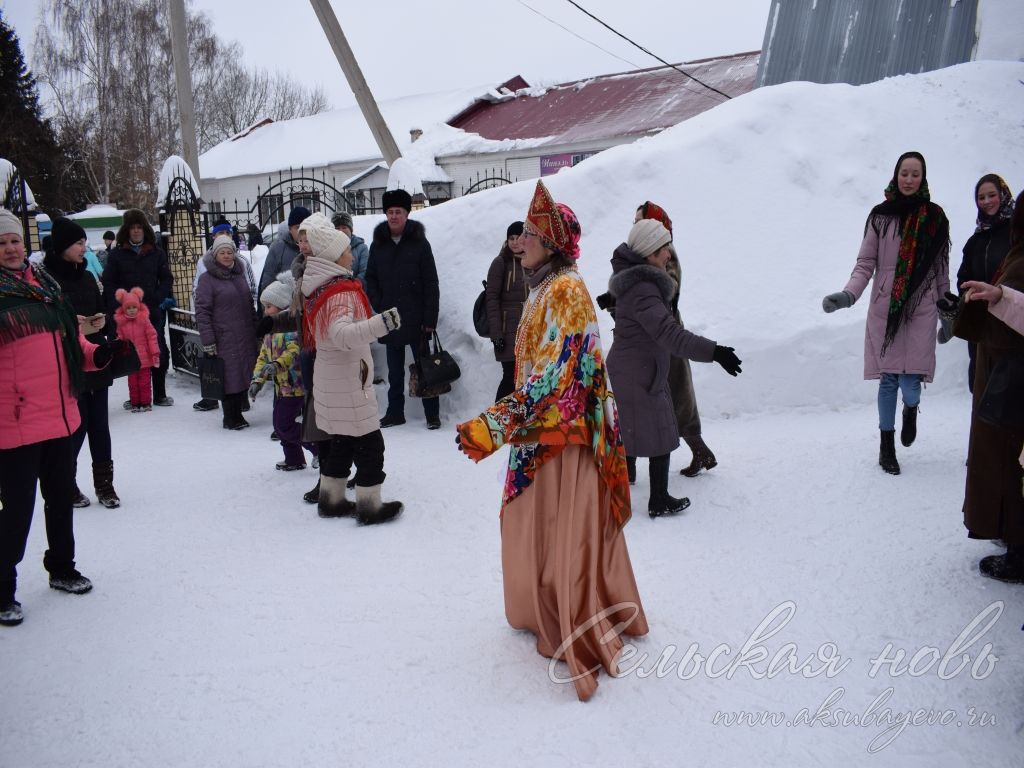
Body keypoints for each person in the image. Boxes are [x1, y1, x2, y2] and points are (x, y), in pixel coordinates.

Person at [455, 181, 648, 701]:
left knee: (563, 530)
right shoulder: (545, 285)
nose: (523, 242)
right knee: (541, 525)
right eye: (524, 234)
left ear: (553, 244)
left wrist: (495, 425)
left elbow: (560, 376)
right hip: (544, 431)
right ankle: (544, 598)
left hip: (564, 439)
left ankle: (569, 611)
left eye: (533, 235)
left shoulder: (565, 290)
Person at [0, 209, 115, 627]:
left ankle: (62, 568)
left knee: (59, 499)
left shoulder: (44, 286)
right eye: (2, 243)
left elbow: (70, 337)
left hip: (60, 413)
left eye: (15, 241)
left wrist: (94, 353)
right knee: (15, 510)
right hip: (15, 422)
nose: (12, 249)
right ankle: (2, 588)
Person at [822, 151, 950, 475]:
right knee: (889, 380)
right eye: (904, 173)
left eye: (915, 174)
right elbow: (866, 263)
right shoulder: (880, 216)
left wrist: (947, 309)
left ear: (923, 178)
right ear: (896, 176)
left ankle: (912, 408)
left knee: (910, 383)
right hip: (885, 309)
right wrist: (849, 294)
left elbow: (941, 270)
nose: (908, 179)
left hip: (920, 311)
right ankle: (886, 445)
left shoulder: (935, 218)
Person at [606, 219, 742, 516]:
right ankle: (658, 500)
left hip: (635, 367)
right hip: (638, 372)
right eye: (663, 249)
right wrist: (715, 351)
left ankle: (631, 486)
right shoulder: (644, 288)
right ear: (649, 252)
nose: (669, 254)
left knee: (637, 429)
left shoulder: (635, 280)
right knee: (660, 434)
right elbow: (670, 334)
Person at [299, 212, 403, 524]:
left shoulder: (320, 285)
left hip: (334, 377)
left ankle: (330, 501)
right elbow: (342, 335)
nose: (350, 255)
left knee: (342, 441)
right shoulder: (340, 291)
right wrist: (381, 323)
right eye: (346, 251)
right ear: (333, 256)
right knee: (371, 445)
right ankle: (370, 508)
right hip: (348, 379)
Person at [953, 190, 1024, 583]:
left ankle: (1018, 547)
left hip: (1010, 366)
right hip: (993, 357)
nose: (987, 201)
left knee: (1009, 457)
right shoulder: (980, 238)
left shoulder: (1014, 248)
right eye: (979, 196)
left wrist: (999, 297)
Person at [635, 202, 719, 476]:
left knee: (679, 398)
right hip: (646, 338)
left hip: (668, 337)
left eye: (640, 221)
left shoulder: (666, 256)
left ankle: (700, 451)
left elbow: (669, 289)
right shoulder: (639, 255)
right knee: (641, 399)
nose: (635, 226)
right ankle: (630, 463)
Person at [43, 217, 120, 508]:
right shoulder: (47, 280)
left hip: (95, 357)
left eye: (84, 242)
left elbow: (101, 310)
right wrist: (67, 322)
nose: (83, 247)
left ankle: (105, 486)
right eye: (78, 243)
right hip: (66, 363)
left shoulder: (88, 277)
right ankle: (67, 484)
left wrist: (102, 320)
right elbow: (44, 323)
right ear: (63, 246)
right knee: (75, 426)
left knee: (100, 425)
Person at [366, 189, 441, 429]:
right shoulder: (378, 245)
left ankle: (432, 414)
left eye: (398, 212)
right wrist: (380, 304)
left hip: (417, 317)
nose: (394, 216)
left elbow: (431, 282)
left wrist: (429, 319)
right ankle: (395, 412)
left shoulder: (420, 242)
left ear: (407, 214)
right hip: (390, 318)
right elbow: (371, 278)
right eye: (390, 212)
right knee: (394, 371)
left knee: (425, 368)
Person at [944, 175, 1016, 391]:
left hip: (1011, 321)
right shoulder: (975, 240)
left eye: (992, 195)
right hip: (980, 324)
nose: (986, 201)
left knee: (1009, 389)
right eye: (981, 197)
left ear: (1003, 195)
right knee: (981, 386)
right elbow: (963, 277)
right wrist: (967, 292)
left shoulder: (1017, 234)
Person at [102, 208, 175, 407]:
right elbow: (108, 281)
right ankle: (136, 395)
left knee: (157, 349)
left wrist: (158, 297)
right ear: (126, 230)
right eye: (132, 228)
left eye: (139, 227)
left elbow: (167, 278)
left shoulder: (156, 252)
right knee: (131, 352)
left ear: (145, 229)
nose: (136, 231)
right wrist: (118, 304)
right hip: (127, 314)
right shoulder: (117, 255)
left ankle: (159, 393)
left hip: (151, 310)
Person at [192, 221, 257, 413]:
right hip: (222, 336)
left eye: (230, 252)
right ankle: (231, 416)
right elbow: (202, 311)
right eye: (222, 252)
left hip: (243, 334)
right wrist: (208, 340)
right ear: (215, 255)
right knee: (228, 376)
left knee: (243, 371)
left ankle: (241, 406)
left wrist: (255, 328)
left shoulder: (239, 274)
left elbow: (248, 302)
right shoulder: (207, 279)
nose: (227, 256)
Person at [249, 271, 312, 471]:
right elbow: (262, 358)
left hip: (295, 386)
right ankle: (293, 458)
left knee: (283, 424)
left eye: (269, 307)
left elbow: (293, 353)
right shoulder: (270, 333)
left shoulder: (293, 331)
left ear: (284, 307)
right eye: (264, 307)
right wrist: (257, 381)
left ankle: (317, 447)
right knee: (280, 424)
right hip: (280, 387)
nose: (265, 311)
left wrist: (277, 365)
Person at [484, 221, 528, 401]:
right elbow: (491, 299)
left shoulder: (532, 260)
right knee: (510, 375)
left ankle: (515, 419)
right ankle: (495, 419)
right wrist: (497, 335)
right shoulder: (500, 262)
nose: (515, 242)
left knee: (526, 377)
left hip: (527, 326)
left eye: (519, 237)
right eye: (511, 238)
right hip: (506, 328)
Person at [113, 287, 161, 412]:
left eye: (134, 307)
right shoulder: (122, 323)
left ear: (138, 306)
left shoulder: (144, 320)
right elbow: (120, 339)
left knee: (144, 381)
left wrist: (154, 352)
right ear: (124, 309)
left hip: (144, 357)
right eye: (128, 308)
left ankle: (145, 403)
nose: (132, 310)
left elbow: (152, 336)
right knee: (132, 383)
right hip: (130, 359)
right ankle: (135, 403)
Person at [258, 206, 310, 300]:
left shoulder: (318, 247)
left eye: (305, 226)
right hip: (285, 309)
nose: (302, 230)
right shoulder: (278, 249)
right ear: (290, 229)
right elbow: (267, 282)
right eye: (297, 227)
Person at [331, 211, 369, 288]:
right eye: (337, 228)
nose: (341, 231)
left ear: (351, 230)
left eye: (344, 227)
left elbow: (365, 272)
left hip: (356, 290)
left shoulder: (361, 248)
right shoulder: (328, 248)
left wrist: (352, 285)